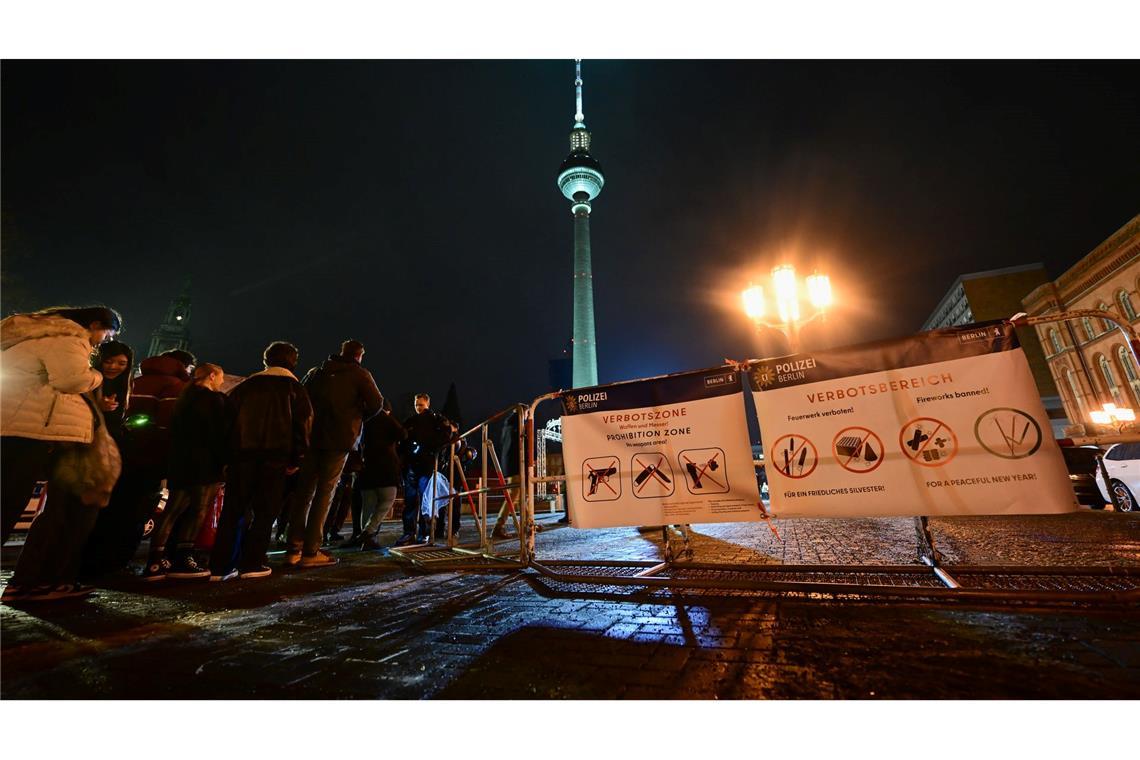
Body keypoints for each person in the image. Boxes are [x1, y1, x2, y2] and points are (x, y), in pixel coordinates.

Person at [1, 305, 122, 603]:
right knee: (11, 504)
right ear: (94, 324)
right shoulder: (67, 338)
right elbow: (70, 380)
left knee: (9, 502)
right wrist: (96, 377)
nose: (104, 341)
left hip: (24, 428)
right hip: (33, 431)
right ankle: (37, 582)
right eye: (107, 333)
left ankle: (36, 581)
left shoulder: (43, 336)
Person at [80, 347, 196, 577]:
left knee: (107, 509)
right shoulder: (176, 387)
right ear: (185, 367)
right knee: (134, 513)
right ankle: (115, 562)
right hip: (148, 459)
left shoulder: (135, 381)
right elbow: (170, 426)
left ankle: (88, 560)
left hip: (115, 453)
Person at [209, 342, 312, 581]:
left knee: (233, 510)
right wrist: (297, 458)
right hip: (276, 458)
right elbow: (303, 425)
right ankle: (252, 562)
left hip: (241, 456)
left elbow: (225, 422)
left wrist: (225, 456)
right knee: (266, 511)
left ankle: (221, 565)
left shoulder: (245, 387)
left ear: (266, 360)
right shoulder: (296, 389)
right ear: (293, 362)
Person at [284, 340, 383, 568]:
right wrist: (355, 420)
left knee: (304, 492)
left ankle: (293, 548)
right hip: (340, 439)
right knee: (325, 492)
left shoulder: (316, 372)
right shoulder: (360, 374)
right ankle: (311, 550)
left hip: (312, 438)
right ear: (359, 355)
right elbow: (376, 404)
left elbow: (301, 400)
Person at [142, 363, 229, 581]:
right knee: (197, 511)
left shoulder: (184, 400)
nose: (222, 382)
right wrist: (225, 462)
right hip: (205, 464)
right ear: (212, 376)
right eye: (220, 377)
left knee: (172, 511)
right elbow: (220, 435)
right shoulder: (214, 401)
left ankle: (155, 560)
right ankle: (183, 557)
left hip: (180, 463)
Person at [396, 393, 456, 546]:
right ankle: (411, 532)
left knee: (424, 500)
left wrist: (430, 449)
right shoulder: (413, 421)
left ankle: (422, 533)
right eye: (416, 405)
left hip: (424, 465)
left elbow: (446, 435)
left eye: (421, 405)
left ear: (427, 404)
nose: (418, 408)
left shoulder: (435, 420)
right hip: (413, 465)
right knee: (411, 501)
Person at [356, 398, 407, 550]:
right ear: (387, 410)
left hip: (366, 468)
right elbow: (403, 434)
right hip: (385, 468)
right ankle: (369, 532)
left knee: (367, 506)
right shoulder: (386, 419)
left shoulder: (363, 420)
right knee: (388, 499)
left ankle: (367, 540)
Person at [95, 340, 134, 443]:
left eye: (122, 363)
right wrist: (98, 407)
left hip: (113, 440)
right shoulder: (90, 383)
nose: (113, 367)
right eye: (108, 361)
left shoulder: (126, 383)